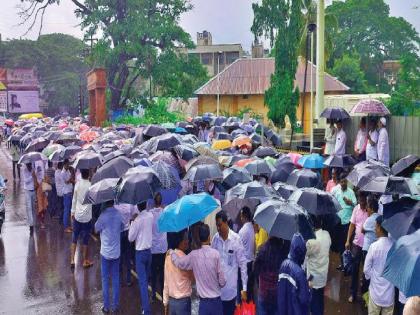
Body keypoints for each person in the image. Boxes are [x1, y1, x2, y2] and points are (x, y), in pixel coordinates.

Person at [170, 224, 226, 315]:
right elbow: (222, 282)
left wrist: (172, 253)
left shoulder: (193, 255)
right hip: (216, 303)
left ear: (199, 239)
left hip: (204, 305)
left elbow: (180, 263)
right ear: (209, 237)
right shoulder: (216, 254)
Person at [212, 211, 248, 315]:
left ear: (226, 222)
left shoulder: (236, 239)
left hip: (231, 292)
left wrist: (244, 288)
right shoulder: (215, 239)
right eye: (217, 225)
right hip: (217, 292)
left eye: (220, 225)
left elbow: (243, 265)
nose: (218, 228)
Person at [95, 199, 124, 313]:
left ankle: (106, 306)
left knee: (105, 279)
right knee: (116, 278)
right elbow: (122, 228)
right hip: (116, 252)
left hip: (105, 252)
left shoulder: (103, 216)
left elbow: (96, 228)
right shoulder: (118, 214)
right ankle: (116, 305)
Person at [363, 215, 394, 315]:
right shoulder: (394, 246)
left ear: (380, 227)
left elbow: (366, 269)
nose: (374, 229)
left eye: (375, 226)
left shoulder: (374, 246)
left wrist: (374, 275)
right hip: (389, 295)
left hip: (375, 293)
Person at [128, 201, 154, 315]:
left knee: (142, 283)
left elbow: (130, 238)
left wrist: (133, 222)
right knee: (147, 280)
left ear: (137, 206)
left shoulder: (137, 220)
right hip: (149, 252)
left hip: (140, 253)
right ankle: (147, 302)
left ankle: (146, 310)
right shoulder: (150, 216)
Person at [277, 233, 311, 315]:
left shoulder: (283, 264)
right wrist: (310, 289)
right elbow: (304, 299)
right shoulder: (299, 273)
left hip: (283, 310)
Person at [254, 236, 289, 315]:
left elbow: (256, 271)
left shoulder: (262, 251)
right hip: (276, 295)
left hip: (263, 293)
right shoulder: (282, 255)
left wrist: (260, 285)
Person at [163, 229, 194, 315]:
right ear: (179, 241)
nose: (187, 241)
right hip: (184, 303)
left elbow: (166, 282)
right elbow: (193, 279)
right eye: (185, 238)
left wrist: (165, 302)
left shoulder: (168, 257)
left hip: (172, 302)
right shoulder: (186, 260)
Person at [345, 192, 369, 303]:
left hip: (368, 247)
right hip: (356, 245)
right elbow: (352, 225)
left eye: (363, 201)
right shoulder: (356, 209)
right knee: (355, 270)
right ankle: (352, 293)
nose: (362, 203)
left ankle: (365, 295)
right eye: (360, 201)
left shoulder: (370, 210)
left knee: (366, 272)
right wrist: (347, 240)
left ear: (366, 200)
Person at [305, 216, 331, 315]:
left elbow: (305, 253)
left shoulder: (312, 241)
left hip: (313, 277)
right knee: (320, 299)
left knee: (313, 301)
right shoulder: (327, 234)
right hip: (323, 274)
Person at [70, 169, 93, 269]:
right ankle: (85, 261)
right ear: (88, 174)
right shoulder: (91, 186)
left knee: (74, 238)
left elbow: (74, 199)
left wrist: (72, 212)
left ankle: (72, 260)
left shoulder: (77, 184)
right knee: (85, 240)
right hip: (87, 217)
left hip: (77, 215)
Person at [332, 175, 357, 267]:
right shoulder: (336, 192)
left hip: (347, 222)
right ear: (339, 182)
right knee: (340, 243)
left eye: (345, 182)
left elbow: (356, 205)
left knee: (348, 243)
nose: (343, 184)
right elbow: (332, 203)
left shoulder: (351, 192)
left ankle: (348, 264)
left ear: (347, 182)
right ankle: (342, 264)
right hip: (338, 221)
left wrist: (350, 202)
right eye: (341, 182)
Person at [115, 202, 138, 286]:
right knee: (127, 257)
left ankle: (119, 280)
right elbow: (135, 215)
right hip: (127, 230)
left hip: (118, 232)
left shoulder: (115, 203)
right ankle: (128, 279)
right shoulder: (130, 203)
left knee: (119, 256)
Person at [150, 192, 167, 301]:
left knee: (153, 272)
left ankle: (153, 294)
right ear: (161, 202)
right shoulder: (165, 213)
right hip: (162, 247)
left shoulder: (150, 214)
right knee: (162, 271)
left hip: (153, 247)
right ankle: (162, 292)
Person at [361, 195, 380, 294]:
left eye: (368, 207)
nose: (366, 209)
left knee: (366, 271)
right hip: (377, 250)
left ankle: (365, 293)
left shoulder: (369, 219)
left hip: (368, 249)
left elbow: (362, 230)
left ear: (372, 208)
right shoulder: (380, 218)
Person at [238, 207, 255, 303]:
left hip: (244, 265)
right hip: (251, 263)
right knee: (250, 291)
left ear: (244, 216)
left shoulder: (242, 231)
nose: (240, 218)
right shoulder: (252, 228)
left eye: (241, 216)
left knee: (243, 292)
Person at [23, 163, 36, 234]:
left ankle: (33, 222)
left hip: (33, 190)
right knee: (29, 208)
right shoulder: (25, 170)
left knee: (33, 207)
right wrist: (32, 176)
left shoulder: (33, 169)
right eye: (28, 165)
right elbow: (26, 181)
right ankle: (31, 225)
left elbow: (35, 179)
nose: (29, 166)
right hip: (27, 190)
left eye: (30, 165)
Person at [62, 159, 74, 233]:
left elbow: (70, 179)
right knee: (66, 210)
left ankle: (68, 225)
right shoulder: (63, 172)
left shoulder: (67, 171)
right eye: (67, 164)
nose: (68, 165)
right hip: (66, 193)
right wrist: (71, 177)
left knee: (69, 210)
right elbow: (67, 181)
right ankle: (66, 227)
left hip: (69, 191)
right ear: (65, 164)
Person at [35, 164, 48, 229]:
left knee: (45, 208)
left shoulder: (44, 174)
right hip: (39, 193)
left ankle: (42, 219)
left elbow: (47, 182)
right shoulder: (35, 175)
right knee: (41, 208)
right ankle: (42, 222)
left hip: (44, 193)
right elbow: (35, 185)